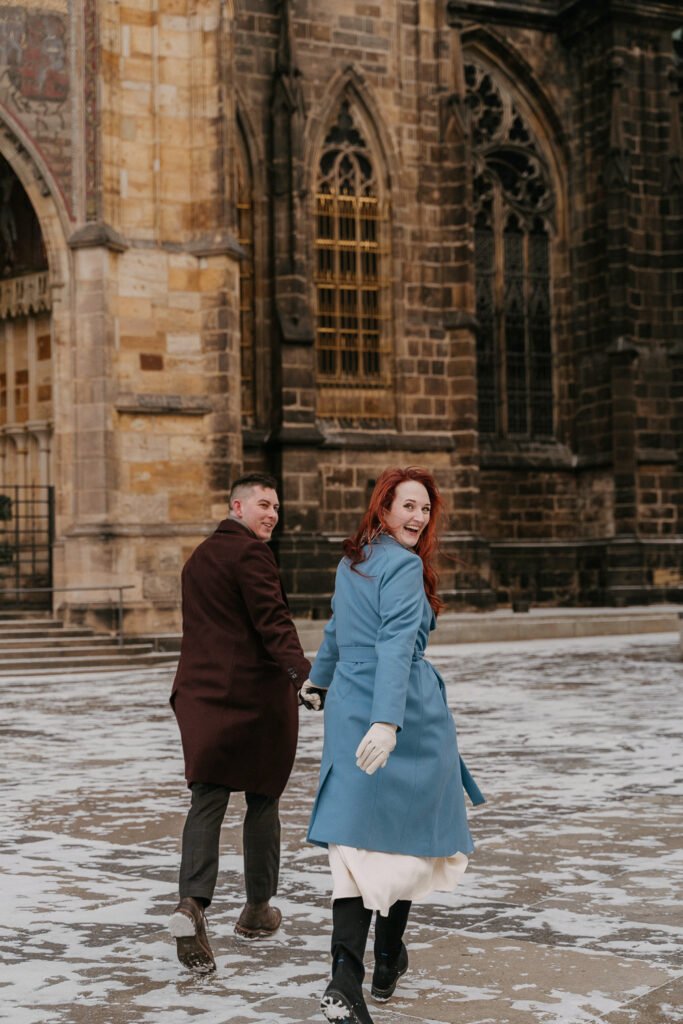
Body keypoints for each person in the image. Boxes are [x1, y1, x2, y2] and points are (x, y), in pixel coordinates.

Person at [304, 467, 485, 1024]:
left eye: (425, 509)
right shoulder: (403, 566)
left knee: (362, 842)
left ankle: (358, 974)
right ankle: (374, 965)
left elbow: (336, 629)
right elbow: (397, 642)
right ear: (382, 509)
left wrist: (321, 680)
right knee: (403, 838)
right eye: (407, 506)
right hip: (401, 709)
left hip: (355, 702)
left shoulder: (352, 561)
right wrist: (387, 721)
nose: (417, 517)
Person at [168, 472, 318, 973]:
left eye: (276, 507)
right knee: (263, 799)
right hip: (253, 702)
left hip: (203, 697)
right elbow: (273, 621)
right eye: (263, 505)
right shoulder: (251, 554)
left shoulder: (199, 557)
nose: (272, 514)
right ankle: (256, 910)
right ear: (237, 506)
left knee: (206, 799)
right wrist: (304, 676)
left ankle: (192, 904)